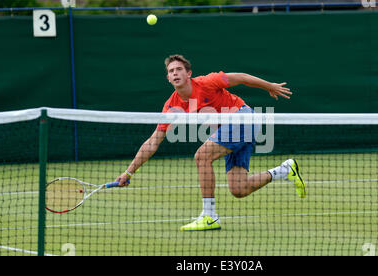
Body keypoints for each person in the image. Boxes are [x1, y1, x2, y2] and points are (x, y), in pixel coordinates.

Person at [115, 54, 306, 231]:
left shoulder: (207, 82)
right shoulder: (171, 106)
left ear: (188, 73)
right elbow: (153, 142)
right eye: (171, 71)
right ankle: (284, 170)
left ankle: (209, 216)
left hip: (243, 118)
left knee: (202, 156)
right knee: (239, 189)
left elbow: (240, 77)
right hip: (230, 130)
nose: (175, 73)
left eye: (179, 69)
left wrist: (269, 86)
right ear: (168, 78)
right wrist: (128, 172)